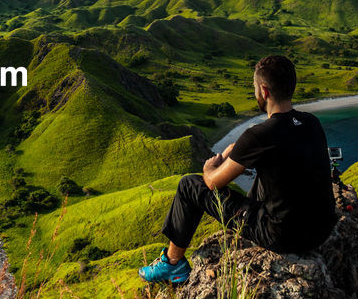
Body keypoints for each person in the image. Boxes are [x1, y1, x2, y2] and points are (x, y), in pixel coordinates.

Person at [138, 55, 336, 284]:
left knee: (188, 185)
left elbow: (212, 182)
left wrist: (213, 164)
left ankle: (173, 264)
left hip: (284, 237)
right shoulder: (311, 122)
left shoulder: (259, 134)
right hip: (321, 230)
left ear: (264, 91)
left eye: (255, 88)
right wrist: (243, 151)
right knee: (271, 171)